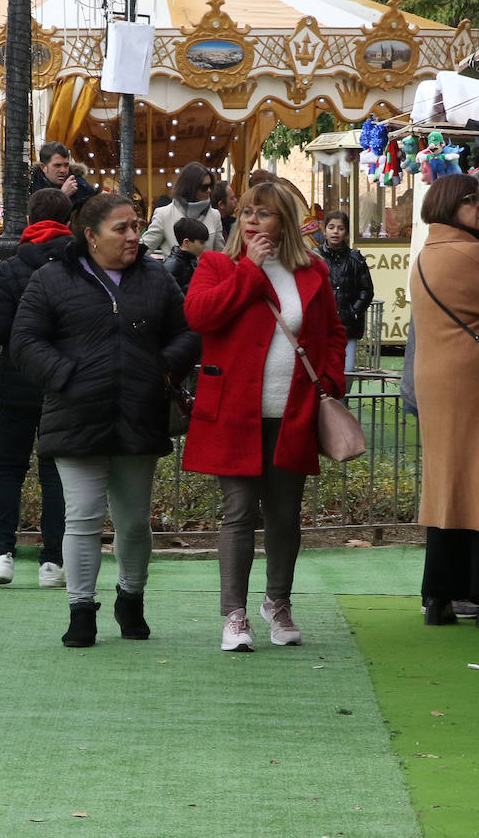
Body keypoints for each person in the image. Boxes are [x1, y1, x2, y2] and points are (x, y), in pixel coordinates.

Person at [11, 193, 199, 647]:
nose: (134, 235)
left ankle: (131, 597)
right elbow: (24, 340)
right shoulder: (52, 279)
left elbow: (189, 332)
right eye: (122, 228)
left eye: (136, 225)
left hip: (140, 413)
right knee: (82, 519)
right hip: (76, 415)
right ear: (90, 236)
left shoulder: (156, 279)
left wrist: (159, 367)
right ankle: (81, 611)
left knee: (134, 521)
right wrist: (66, 375)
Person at [182, 178, 345, 652]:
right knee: (237, 513)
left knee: (284, 514)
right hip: (233, 411)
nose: (253, 221)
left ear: (284, 222)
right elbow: (201, 316)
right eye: (248, 212)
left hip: (293, 411)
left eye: (265, 213)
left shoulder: (311, 271)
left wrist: (330, 383)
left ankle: (278, 603)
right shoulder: (216, 264)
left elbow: (334, 333)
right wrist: (250, 269)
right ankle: (234, 615)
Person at [409, 173, 479, 628]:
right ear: (450, 205)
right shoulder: (475, 256)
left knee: (446, 485)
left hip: (435, 382)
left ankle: (438, 595)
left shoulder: (426, 254)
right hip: (477, 381)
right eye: (470, 200)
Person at [0, 188, 73, 589]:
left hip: (17, 379)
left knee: (9, 469)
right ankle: (53, 561)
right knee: (55, 471)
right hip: (62, 380)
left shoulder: (13, 268)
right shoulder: (78, 264)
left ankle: (1, 555)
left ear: (30, 217)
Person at [316, 210, 374, 374]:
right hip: (321, 323)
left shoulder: (355, 259)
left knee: (346, 370)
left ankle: (343, 400)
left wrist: (354, 311)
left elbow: (366, 290)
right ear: (324, 230)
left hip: (347, 324)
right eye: (331, 227)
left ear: (346, 232)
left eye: (340, 228)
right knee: (321, 369)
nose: (335, 232)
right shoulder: (315, 257)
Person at [141, 162, 223, 255]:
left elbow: (220, 254)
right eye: (204, 187)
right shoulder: (164, 214)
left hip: (206, 269)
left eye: (210, 186)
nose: (209, 191)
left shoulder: (214, 215)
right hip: (174, 269)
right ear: (190, 187)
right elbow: (144, 248)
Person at [29, 141, 96, 213]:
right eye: (57, 165)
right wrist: (62, 196)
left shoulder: (81, 187)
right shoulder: (30, 187)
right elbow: (38, 218)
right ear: (43, 167)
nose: (63, 170)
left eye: (66, 165)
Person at [163, 216, 208, 293]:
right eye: (201, 242)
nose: (204, 246)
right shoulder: (173, 265)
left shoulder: (191, 260)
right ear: (186, 242)